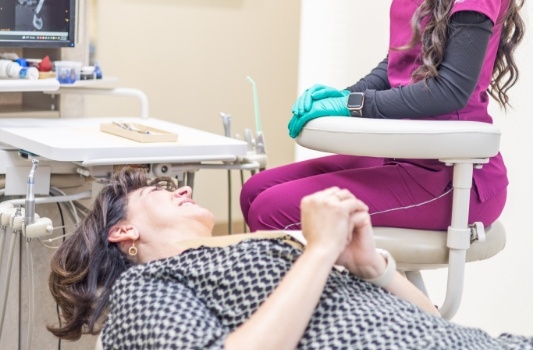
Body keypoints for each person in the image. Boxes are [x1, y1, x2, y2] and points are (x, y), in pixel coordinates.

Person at [47, 167, 533, 349]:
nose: (185, 188)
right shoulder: (145, 287)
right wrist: (319, 251)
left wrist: (374, 269)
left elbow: (435, 322)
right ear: (123, 231)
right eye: (160, 189)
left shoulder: (267, 247)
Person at [240, 0, 525, 232]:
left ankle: (318, 301)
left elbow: (449, 91)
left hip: (453, 173)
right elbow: (398, 63)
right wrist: (344, 94)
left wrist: (353, 104)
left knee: (271, 209)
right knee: (254, 190)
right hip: (402, 153)